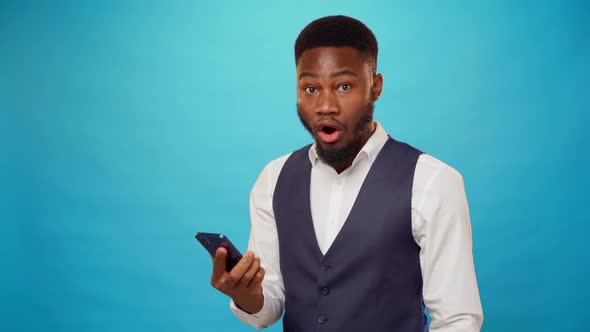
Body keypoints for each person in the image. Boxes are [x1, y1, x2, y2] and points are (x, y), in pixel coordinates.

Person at [209, 15, 484, 332]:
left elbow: (458, 320)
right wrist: (247, 295)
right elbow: (267, 308)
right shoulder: (273, 179)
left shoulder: (433, 181)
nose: (325, 105)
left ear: (375, 87)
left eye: (343, 86)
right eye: (310, 88)